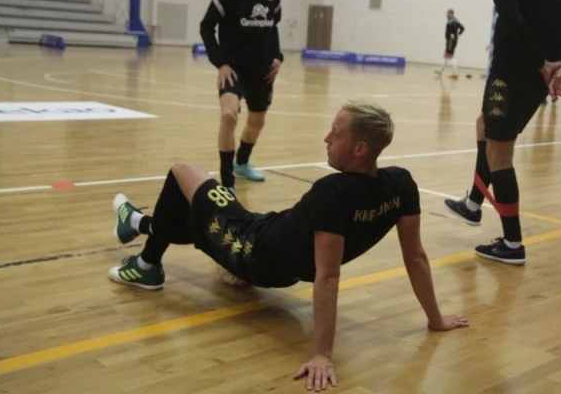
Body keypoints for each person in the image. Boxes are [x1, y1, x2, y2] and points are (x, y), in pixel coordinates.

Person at [107, 100, 469, 390]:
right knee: (203, 223)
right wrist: (435, 319)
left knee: (183, 169)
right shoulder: (401, 184)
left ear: (360, 147)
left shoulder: (333, 192)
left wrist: (322, 355)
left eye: (336, 133)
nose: (326, 138)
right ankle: (138, 222)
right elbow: (416, 256)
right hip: (267, 235)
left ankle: (146, 267)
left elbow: (327, 276)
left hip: (248, 251)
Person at [443, 0, 561, 264]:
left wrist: (541, 64)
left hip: (513, 70)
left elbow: (512, 21)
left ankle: (513, 244)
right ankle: (473, 203)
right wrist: (560, 65)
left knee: (499, 152)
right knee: (484, 125)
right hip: (538, 73)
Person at [200, 0, 283, 187]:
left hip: (263, 72)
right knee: (228, 116)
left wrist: (277, 57)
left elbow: (272, 26)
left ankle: (242, 164)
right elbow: (206, 27)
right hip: (234, 69)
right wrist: (221, 64)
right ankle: (226, 181)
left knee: (256, 123)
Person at [435, 9, 465, 79]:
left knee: (451, 56)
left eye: (448, 14)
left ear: (451, 14)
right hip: (449, 40)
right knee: (445, 55)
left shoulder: (454, 22)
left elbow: (462, 28)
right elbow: (461, 28)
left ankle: (455, 74)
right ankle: (440, 71)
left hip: (451, 41)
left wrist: (456, 34)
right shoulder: (451, 21)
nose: (447, 15)